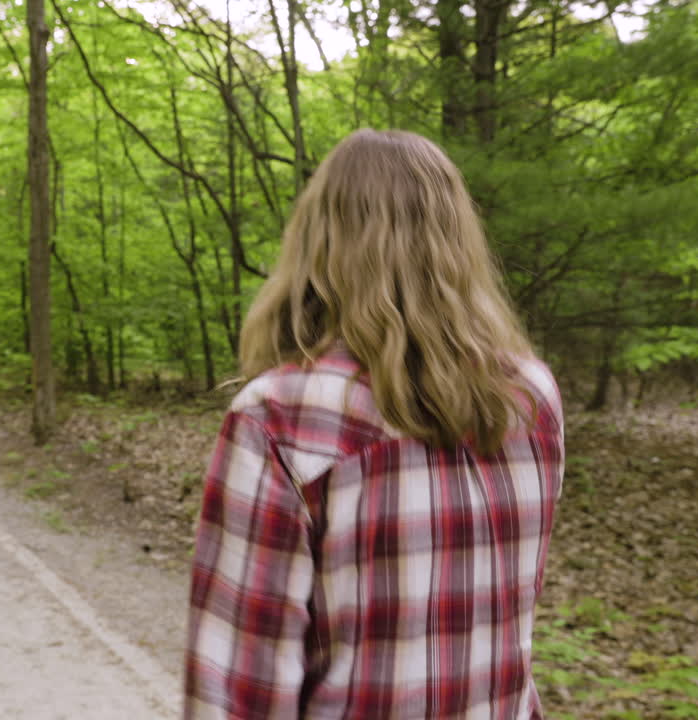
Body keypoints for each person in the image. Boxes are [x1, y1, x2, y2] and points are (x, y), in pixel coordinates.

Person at [183, 129, 564, 719]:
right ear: (458, 241)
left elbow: (238, 688)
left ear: (320, 241)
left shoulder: (280, 416)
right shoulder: (529, 397)